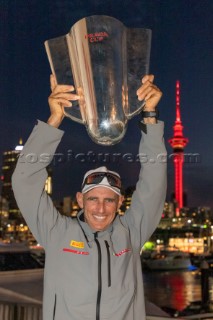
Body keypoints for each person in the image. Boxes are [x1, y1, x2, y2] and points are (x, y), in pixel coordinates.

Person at [12, 74, 167, 320]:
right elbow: (24, 181)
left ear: (119, 204)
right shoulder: (56, 232)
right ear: (80, 200)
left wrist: (149, 115)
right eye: (93, 198)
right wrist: (54, 120)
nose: (101, 208)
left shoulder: (131, 232)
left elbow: (154, 182)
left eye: (109, 200)